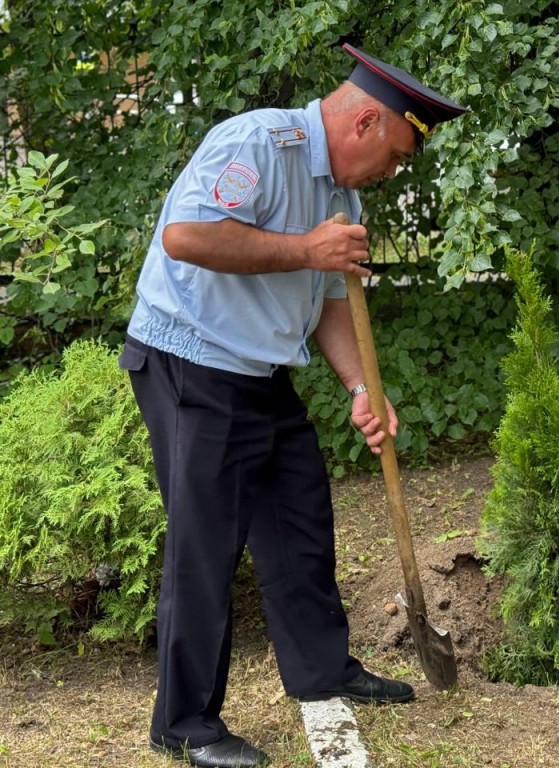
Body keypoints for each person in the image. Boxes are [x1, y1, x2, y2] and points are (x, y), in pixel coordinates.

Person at [118, 44, 467, 768]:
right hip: (189, 363)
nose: (395, 173)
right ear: (366, 120)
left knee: (301, 521)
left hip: (260, 372)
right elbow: (186, 236)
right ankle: (184, 724)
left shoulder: (343, 195)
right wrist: (307, 250)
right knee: (205, 548)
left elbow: (332, 299)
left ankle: (322, 669)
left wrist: (361, 387)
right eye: (397, 155)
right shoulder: (257, 142)